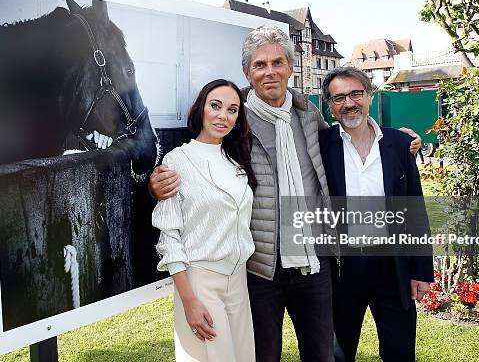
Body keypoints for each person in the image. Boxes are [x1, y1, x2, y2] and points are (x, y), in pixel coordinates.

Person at [150, 25, 421, 362]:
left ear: (291, 67)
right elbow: (200, 158)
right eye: (260, 65)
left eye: (277, 62)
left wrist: (396, 138)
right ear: (247, 72)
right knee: (264, 356)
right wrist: (157, 180)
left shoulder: (308, 114)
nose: (269, 72)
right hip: (262, 267)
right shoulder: (236, 121)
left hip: (315, 262)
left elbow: (345, 139)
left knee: (322, 355)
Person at [318, 66, 433, 362]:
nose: (349, 103)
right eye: (339, 97)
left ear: (370, 96)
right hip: (342, 269)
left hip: (393, 267)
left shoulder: (398, 144)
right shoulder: (320, 146)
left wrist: (421, 271)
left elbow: (415, 209)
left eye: (356, 93)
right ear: (330, 106)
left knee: (400, 352)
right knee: (337, 354)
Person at [152, 79, 257, 362]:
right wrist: (189, 301)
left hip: (238, 281)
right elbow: (169, 237)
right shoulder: (177, 162)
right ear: (201, 109)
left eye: (232, 110)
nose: (223, 115)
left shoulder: (235, 162)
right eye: (216, 106)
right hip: (201, 283)